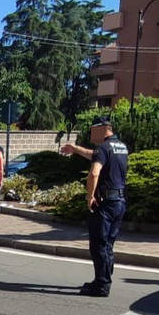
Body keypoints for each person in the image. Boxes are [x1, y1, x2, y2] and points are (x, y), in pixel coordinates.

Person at [61, 116, 128, 297]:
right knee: (107, 245)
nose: (90, 132)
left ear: (103, 128)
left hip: (105, 203)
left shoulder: (104, 148)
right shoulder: (120, 147)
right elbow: (95, 155)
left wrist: (90, 195)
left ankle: (102, 285)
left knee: (98, 244)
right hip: (120, 202)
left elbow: (94, 172)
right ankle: (103, 278)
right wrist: (75, 149)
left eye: (92, 129)